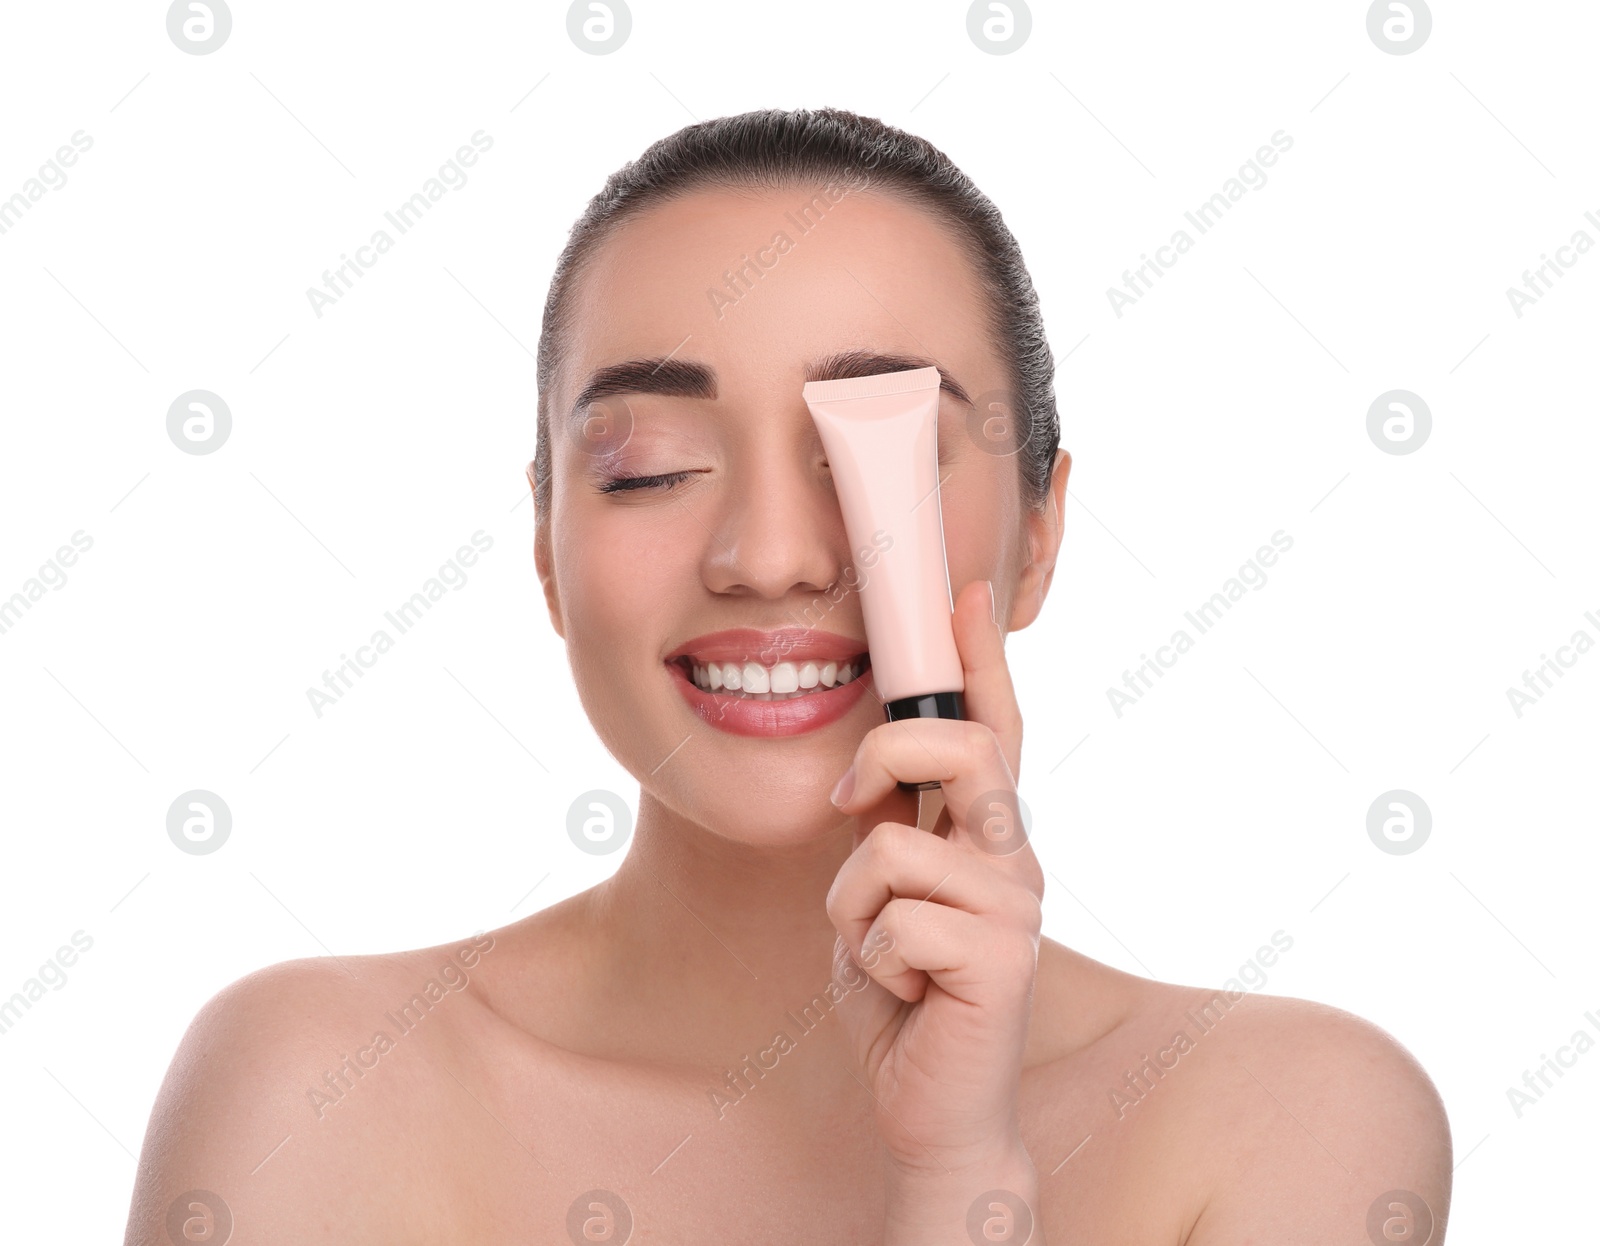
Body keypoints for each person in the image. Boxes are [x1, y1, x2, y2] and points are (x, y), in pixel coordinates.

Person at [123, 107, 1451, 1245]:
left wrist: (956, 1179)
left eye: (868, 449)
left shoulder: (1291, 1115)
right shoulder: (313, 1086)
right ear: (544, 545)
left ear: (1040, 533)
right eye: (649, 466)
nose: (766, 556)